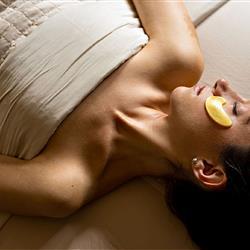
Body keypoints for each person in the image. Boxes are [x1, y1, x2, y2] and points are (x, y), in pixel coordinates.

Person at [0, 1, 249, 249]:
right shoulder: (178, 57)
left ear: (208, 169)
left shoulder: (61, 184)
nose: (223, 85)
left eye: (235, 110)